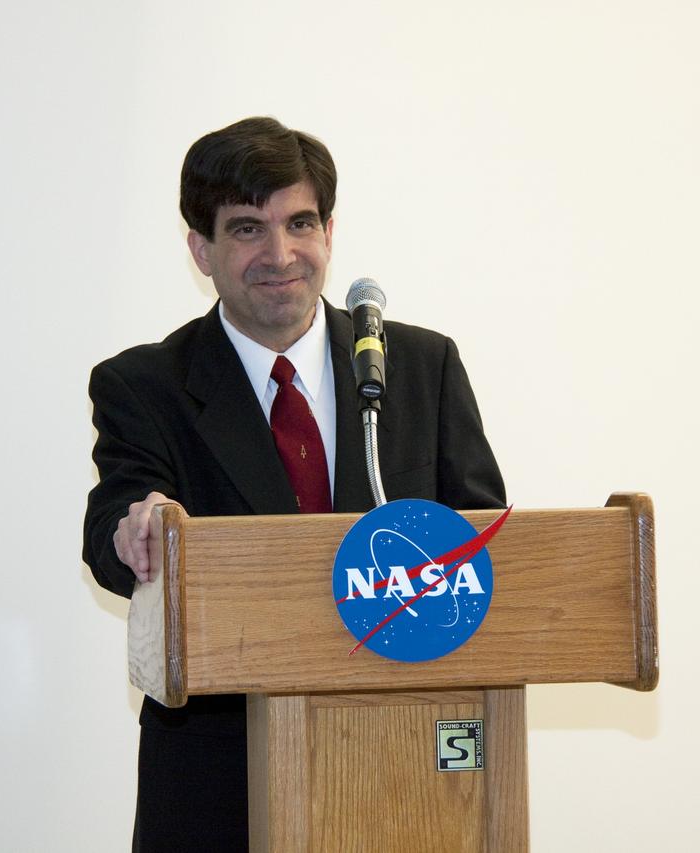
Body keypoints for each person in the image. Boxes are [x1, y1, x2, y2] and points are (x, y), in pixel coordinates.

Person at [83, 116, 505, 852]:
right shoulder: (144, 385)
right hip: (220, 787)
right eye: (247, 229)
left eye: (299, 222)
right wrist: (138, 526)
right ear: (201, 249)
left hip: (404, 761)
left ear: (330, 233)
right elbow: (113, 529)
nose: (280, 254)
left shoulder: (420, 367)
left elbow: (484, 542)